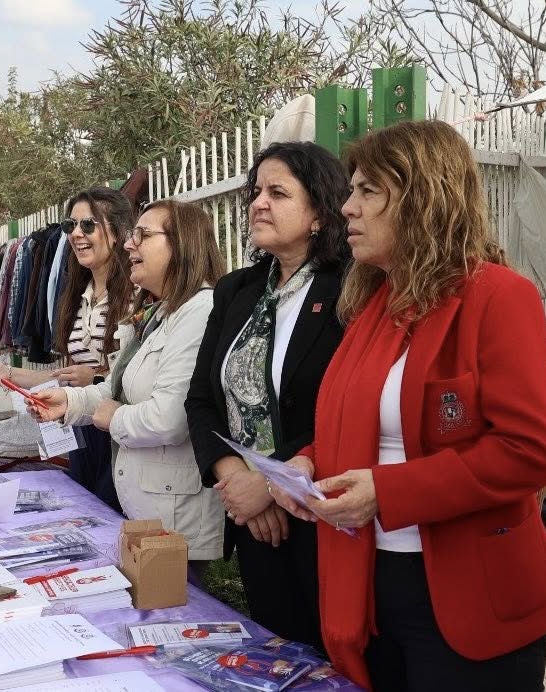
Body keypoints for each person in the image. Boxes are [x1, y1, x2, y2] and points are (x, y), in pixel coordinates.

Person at [272, 120, 546, 691]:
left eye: (367, 191)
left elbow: (526, 453)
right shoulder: (373, 306)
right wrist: (306, 463)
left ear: (424, 196)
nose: (347, 208)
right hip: (372, 583)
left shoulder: (500, 296)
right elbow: (356, 422)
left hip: (470, 599)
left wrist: (387, 492)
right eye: (350, 191)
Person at [185, 141, 350, 650]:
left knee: (332, 662)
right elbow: (201, 400)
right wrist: (239, 481)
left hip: (320, 516)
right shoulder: (237, 290)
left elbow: (341, 407)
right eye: (256, 191)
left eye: (277, 192)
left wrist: (274, 484)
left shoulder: (348, 287)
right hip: (251, 518)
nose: (258, 202)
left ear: (320, 212)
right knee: (278, 658)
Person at [30, 200, 227, 574]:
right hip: (148, 509)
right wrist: (67, 402)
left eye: (143, 234)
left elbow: (169, 418)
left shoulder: (200, 312)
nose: (128, 245)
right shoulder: (161, 311)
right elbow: (114, 389)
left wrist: (110, 418)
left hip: (174, 520)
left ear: (182, 244)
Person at [0, 187, 134, 511]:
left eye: (88, 225)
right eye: (69, 226)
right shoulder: (77, 293)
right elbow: (65, 379)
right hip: (80, 426)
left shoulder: (136, 296)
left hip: (119, 431)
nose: (76, 234)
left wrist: (98, 377)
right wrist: (6, 373)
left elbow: (136, 375)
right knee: (87, 518)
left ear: (116, 232)